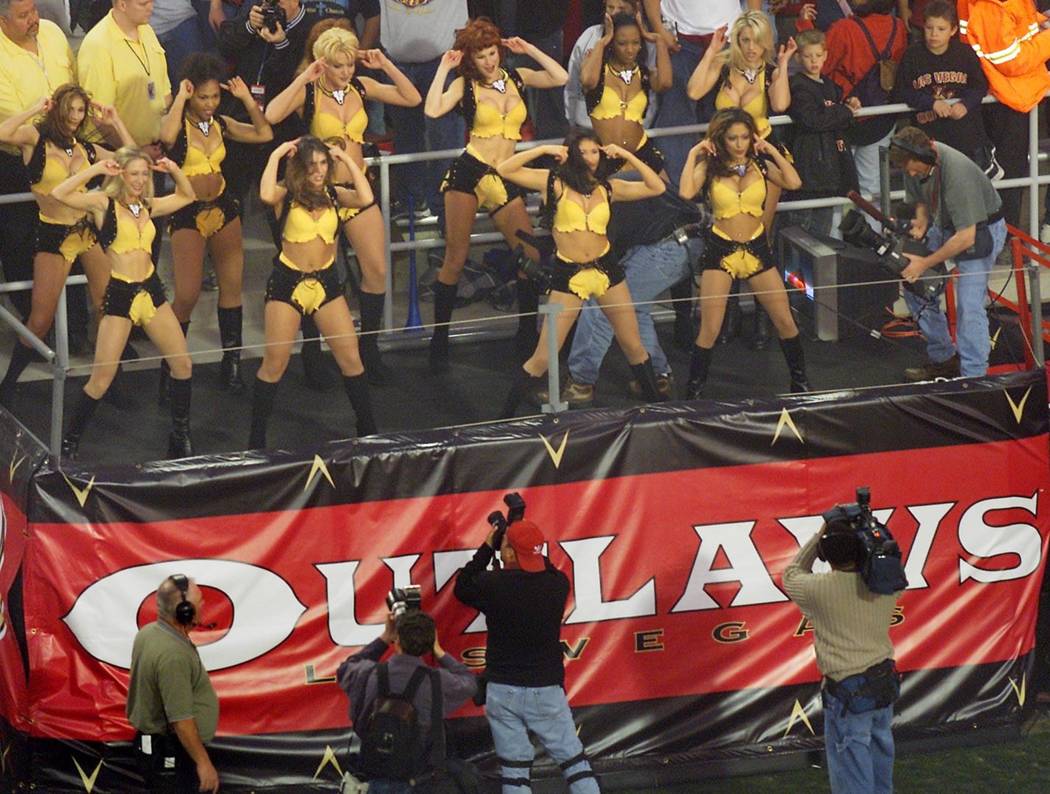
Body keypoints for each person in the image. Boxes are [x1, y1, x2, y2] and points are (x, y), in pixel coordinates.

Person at [266, 26, 421, 382]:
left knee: (378, 270)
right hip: (319, 196)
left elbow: (412, 98)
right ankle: (312, 350)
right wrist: (305, 75)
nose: (346, 71)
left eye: (350, 64)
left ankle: (369, 348)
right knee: (317, 275)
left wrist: (385, 64)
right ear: (324, 63)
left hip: (357, 189)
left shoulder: (361, 88)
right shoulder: (309, 91)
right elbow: (272, 114)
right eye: (338, 65)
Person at [423, 18, 567, 372]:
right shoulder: (465, 85)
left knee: (529, 254)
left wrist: (529, 49)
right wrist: (443, 69)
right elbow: (431, 109)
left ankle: (525, 335)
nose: (489, 61)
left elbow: (560, 77)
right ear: (470, 58)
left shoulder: (517, 77)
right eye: (482, 55)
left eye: (492, 53)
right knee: (456, 257)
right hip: (471, 171)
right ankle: (439, 341)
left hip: (507, 173)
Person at [495, 132, 668, 418]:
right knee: (543, 356)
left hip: (606, 270)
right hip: (568, 275)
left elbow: (657, 187)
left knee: (633, 346)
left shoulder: (609, 188)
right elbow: (505, 170)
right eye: (583, 152)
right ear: (571, 155)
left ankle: (662, 416)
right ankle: (503, 421)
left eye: (594, 152)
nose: (589, 158)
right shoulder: (553, 183)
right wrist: (546, 147)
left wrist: (627, 156)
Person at [53, 147, 197, 459]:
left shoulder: (147, 205)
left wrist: (173, 169)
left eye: (144, 174)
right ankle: (69, 441)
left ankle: (180, 436)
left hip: (152, 292)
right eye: (134, 174)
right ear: (121, 174)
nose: (140, 180)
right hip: (120, 294)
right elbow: (59, 192)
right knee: (101, 379)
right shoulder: (104, 204)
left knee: (183, 364)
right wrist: (95, 171)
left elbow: (188, 196)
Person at [0, 86, 135, 406]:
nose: (75, 118)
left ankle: (107, 382)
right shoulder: (35, 140)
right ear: (57, 110)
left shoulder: (86, 149)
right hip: (52, 235)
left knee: (110, 308)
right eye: (70, 110)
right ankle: (8, 383)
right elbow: (2, 131)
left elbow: (132, 159)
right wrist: (35, 107)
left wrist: (116, 124)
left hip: (86, 234)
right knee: (40, 319)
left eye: (80, 111)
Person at [453, 519, 601, 794]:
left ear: (508, 553)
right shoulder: (557, 584)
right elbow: (543, 566)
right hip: (545, 691)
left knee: (515, 774)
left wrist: (487, 547)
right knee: (576, 764)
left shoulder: (492, 584)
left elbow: (462, 587)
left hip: (503, 691)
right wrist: (519, 540)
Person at [158, 53, 273, 402]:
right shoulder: (179, 122)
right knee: (188, 295)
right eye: (203, 97)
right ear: (191, 92)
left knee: (232, 287)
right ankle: (170, 369)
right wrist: (180, 96)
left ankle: (232, 365)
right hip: (187, 212)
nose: (209, 104)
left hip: (223, 207)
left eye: (214, 97)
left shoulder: (221, 123)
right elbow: (165, 136)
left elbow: (263, 133)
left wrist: (246, 101)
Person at [251, 135, 377, 448]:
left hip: (327, 283)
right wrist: (278, 152)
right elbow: (265, 193)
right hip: (288, 283)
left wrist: (346, 159)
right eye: (311, 165)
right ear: (300, 168)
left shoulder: (335, 195)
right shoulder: (287, 194)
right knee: (274, 364)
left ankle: (370, 431)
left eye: (322, 163)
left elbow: (366, 197)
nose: (318, 170)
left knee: (351, 360)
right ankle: (255, 440)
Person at [679, 108, 808, 399]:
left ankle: (800, 382)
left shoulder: (761, 166)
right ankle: (694, 391)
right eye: (732, 138)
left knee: (785, 320)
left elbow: (794, 182)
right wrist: (693, 155)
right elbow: (686, 192)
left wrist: (771, 150)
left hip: (756, 246)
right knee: (710, 328)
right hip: (721, 247)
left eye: (744, 137)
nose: (739, 144)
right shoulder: (710, 166)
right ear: (721, 139)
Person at [782, 517, 903, 793]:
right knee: (880, 766)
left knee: (852, 775)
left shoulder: (819, 590)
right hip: (883, 686)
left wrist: (821, 535)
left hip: (848, 696)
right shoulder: (886, 584)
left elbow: (791, 572)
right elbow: (890, 558)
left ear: (826, 554)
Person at [562, 193, 702, 406]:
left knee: (604, 305)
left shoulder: (597, 204)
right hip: (686, 240)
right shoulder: (612, 188)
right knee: (634, 308)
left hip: (667, 246)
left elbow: (602, 258)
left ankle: (580, 383)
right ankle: (658, 377)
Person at [891, 126, 1007, 381]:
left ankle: (973, 376)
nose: (909, 173)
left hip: (980, 229)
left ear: (926, 154)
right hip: (945, 224)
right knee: (915, 287)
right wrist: (920, 222)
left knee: (969, 304)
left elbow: (966, 237)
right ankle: (944, 358)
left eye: (912, 168)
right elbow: (919, 199)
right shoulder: (914, 164)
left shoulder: (958, 172)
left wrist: (925, 263)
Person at [337, 610, 477, 791]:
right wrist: (439, 651)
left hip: (374, 775)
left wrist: (385, 637)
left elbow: (346, 667)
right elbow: (469, 682)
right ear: (430, 642)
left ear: (397, 640)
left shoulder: (367, 673)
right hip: (420, 780)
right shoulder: (438, 681)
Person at [0, 0, 76, 320]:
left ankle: (74, 322)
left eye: (33, 10)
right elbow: (12, 124)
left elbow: (75, 89)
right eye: (22, 16)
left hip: (70, 157)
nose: (33, 19)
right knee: (21, 242)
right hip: (19, 164)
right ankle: (33, 325)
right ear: (2, 21)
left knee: (74, 241)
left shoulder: (55, 33)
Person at [643, 0, 760, 186]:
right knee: (676, 119)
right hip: (679, 38)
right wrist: (659, 28)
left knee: (729, 119)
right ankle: (681, 194)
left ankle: (729, 190)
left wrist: (755, 23)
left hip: (731, 37)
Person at [959, 0, 1050, 236]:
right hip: (1004, 96)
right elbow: (1011, 60)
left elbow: (1019, 22)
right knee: (1008, 173)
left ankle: (1004, 239)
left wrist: (1041, 22)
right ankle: (1005, 240)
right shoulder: (991, 6)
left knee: (1005, 173)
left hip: (1002, 94)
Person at [127, 574, 220, 794]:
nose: (203, 604)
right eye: (199, 600)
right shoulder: (173, 655)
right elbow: (181, 721)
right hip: (172, 754)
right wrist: (203, 763)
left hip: (157, 749)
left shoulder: (149, 633)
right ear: (184, 611)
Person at [379, 0, 468, 220]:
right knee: (406, 135)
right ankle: (413, 201)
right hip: (395, 62)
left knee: (446, 137)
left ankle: (446, 202)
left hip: (443, 61)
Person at [823, 0, 905, 219]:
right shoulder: (899, 27)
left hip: (844, 116)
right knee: (872, 189)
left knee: (838, 189)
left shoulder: (844, 28)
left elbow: (821, 67)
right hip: (882, 117)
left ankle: (833, 248)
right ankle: (875, 245)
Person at [893, 1, 995, 176]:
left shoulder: (965, 54)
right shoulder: (912, 55)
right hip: (929, 138)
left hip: (965, 137)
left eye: (941, 29)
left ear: (953, 30)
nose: (934, 34)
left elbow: (980, 86)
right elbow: (901, 91)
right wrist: (930, 103)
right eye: (929, 28)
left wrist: (965, 104)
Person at [782, 28, 858, 243]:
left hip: (830, 170)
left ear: (825, 55)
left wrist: (847, 106)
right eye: (807, 56)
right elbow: (812, 119)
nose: (813, 61)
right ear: (798, 57)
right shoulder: (797, 85)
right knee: (799, 233)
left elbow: (829, 114)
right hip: (808, 169)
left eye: (818, 55)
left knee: (822, 233)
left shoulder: (830, 86)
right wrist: (844, 112)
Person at [580, 10, 671, 177]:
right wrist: (601, 43)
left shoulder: (644, 73)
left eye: (635, 42)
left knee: (668, 197)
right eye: (622, 43)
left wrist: (659, 41)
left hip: (641, 152)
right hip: (605, 156)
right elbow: (587, 81)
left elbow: (665, 83)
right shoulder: (598, 69)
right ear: (612, 43)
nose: (630, 49)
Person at [77, 0, 172, 152]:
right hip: (115, 154)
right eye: (143, 4)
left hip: (154, 146)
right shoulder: (98, 46)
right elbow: (101, 119)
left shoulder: (146, 30)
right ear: (122, 5)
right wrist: (136, 153)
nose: (151, 7)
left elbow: (165, 94)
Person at [566, 0, 652, 130]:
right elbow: (573, 85)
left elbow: (656, 91)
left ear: (636, 9)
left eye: (621, 8)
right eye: (610, 7)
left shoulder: (648, 44)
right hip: (588, 128)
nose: (614, 13)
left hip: (633, 129)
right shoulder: (590, 36)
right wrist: (571, 121)